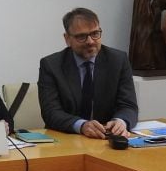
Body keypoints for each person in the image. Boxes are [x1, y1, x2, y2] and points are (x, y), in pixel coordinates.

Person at [38, 7, 138, 138]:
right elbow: (51, 112)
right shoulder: (51, 65)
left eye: (95, 34)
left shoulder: (118, 60)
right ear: (67, 39)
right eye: (81, 36)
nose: (90, 41)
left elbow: (128, 105)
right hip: (67, 139)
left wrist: (120, 121)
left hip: (106, 138)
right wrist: (82, 125)